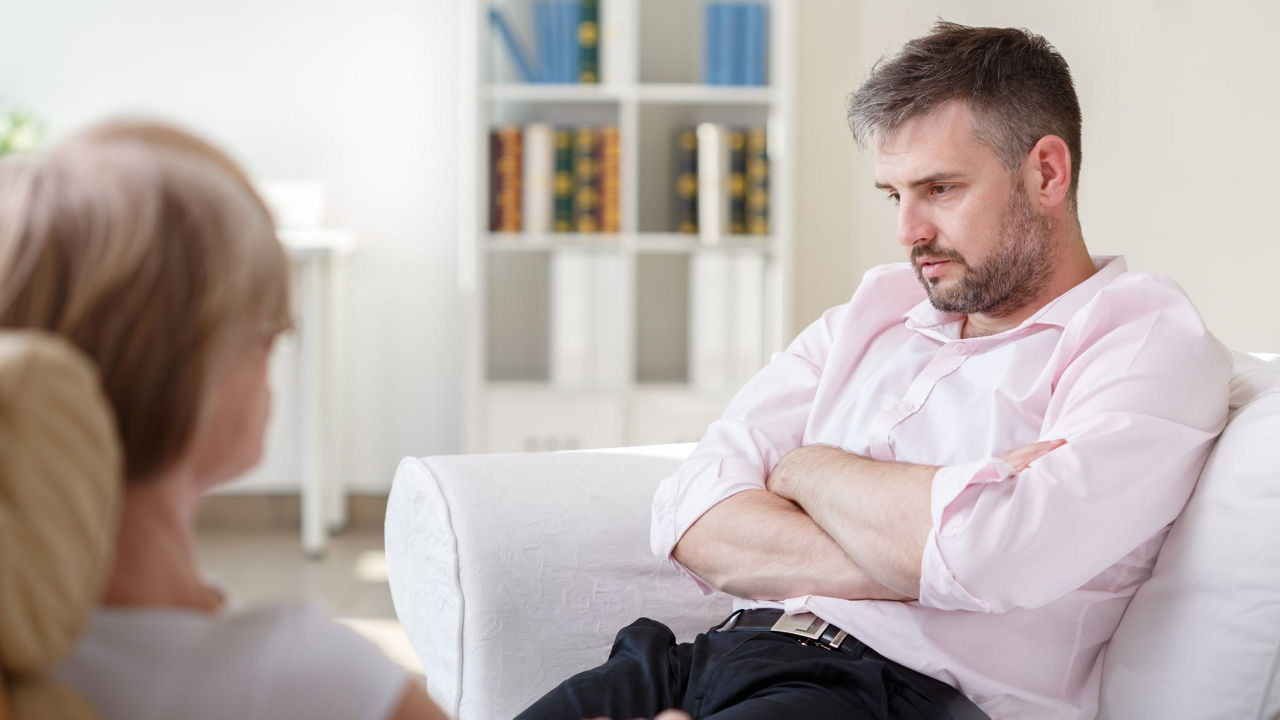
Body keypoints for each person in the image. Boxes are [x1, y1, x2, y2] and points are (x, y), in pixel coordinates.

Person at [518, 21, 1230, 720]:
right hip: (698, 660)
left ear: (1046, 171)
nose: (908, 231)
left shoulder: (1141, 339)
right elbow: (691, 516)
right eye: (895, 195)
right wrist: (923, 553)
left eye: (941, 190)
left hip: (894, 695)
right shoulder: (870, 314)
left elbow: (997, 558)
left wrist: (802, 471)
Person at [0, 120, 448, 720]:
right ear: (185, 368)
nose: (279, 343)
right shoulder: (307, 678)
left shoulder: (31, 655)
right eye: (266, 331)